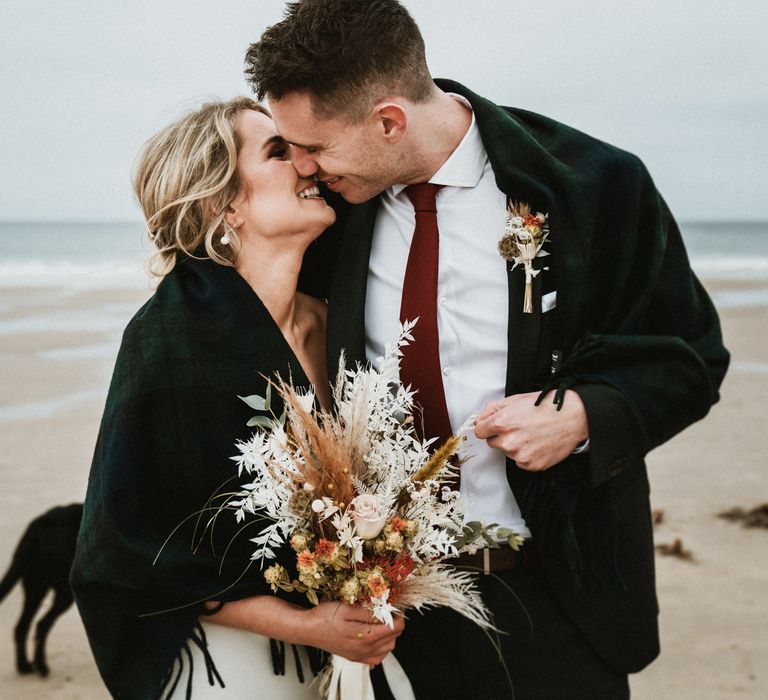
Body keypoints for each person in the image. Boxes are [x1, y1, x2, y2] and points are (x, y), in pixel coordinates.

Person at [244, 1, 730, 698]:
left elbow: (691, 355)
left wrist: (587, 414)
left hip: (556, 596)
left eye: (313, 148)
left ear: (388, 120)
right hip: (391, 608)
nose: (301, 169)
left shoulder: (594, 186)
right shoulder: (331, 216)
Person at [70, 96, 404, 699]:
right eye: (278, 152)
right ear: (221, 204)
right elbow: (129, 551)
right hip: (234, 665)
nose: (307, 165)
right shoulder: (168, 340)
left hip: (360, 645)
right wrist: (307, 625)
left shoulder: (345, 323)